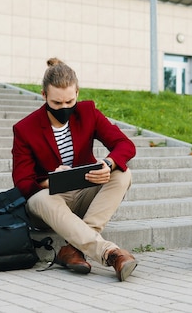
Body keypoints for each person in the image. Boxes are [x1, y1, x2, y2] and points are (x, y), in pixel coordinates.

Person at [11, 57, 138, 281]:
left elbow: (125, 145)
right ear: (44, 96)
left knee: (123, 173)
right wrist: (52, 180)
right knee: (42, 199)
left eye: (69, 102)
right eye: (57, 103)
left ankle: (73, 248)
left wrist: (108, 164)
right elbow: (22, 182)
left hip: (82, 193)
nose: (64, 108)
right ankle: (109, 253)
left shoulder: (88, 112)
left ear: (77, 92)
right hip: (47, 203)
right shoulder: (25, 129)